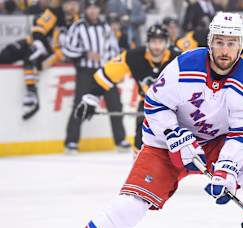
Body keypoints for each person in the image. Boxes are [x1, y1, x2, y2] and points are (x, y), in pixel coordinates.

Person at [46, 11, 243, 228]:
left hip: (215, 143)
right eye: (220, 42)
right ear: (210, 41)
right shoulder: (185, 64)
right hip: (164, 143)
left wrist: (227, 169)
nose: (225, 50)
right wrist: (175, 134)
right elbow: (155, 103)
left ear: (241, 45)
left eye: (231, 43)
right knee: (131, 205)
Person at [74, 24, 180, 154]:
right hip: (148, 105)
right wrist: (92, 97)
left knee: (179, 143)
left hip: (175, 107)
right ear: (147, 42)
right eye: (153, 41)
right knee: (141, 142)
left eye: (160, 42)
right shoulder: (133, 56)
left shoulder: (178, 58)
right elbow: (107, 74)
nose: (157, 46)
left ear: (167, 43)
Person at [62, 0, 130, 154]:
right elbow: (67, 49)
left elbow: (114, 49)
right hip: (86, 71)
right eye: (90, 8)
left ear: (99, 10)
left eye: (95, 8)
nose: (93, 11)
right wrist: (85, 53)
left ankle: (120, 140)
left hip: (105, 72)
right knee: (80, 104)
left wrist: (115, 68)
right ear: (85, 10)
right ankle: (71, 141)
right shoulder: (78, 26)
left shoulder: (106, 27)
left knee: (115, 105)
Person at [0, 0, 79, 120]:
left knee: (31, 59)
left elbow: (76, 47)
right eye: (69, 3)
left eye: (74, 4)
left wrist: (60, 55)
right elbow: (39, 27)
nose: (71, 7)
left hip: (54, 54)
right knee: (6, 54)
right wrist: (38, 42)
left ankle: (31, 93)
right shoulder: (54, 12)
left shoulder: (79, 23)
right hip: (35, 43)